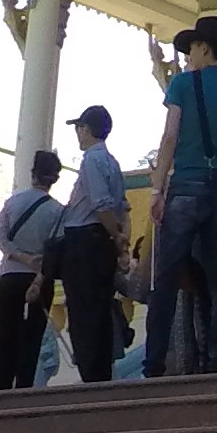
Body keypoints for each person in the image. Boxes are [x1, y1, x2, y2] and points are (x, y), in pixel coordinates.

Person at [147, 17, 217, 376]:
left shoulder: (182, 84)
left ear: (205, 48)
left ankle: (154, 362)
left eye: (192, 48)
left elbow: (170, 137)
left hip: (186, 186)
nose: (189, 56)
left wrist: (157, 188)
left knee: (167, 276)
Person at [54, 105, 131, 385]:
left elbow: (101, 205)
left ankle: (91, 375)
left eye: (79, 128)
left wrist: (116, 237)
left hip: (85, 241)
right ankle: (101, 372)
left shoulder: (91, 161)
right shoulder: (112, 163)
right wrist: (121, 242)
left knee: (82, 312)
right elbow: (123, 207)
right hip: (102, 243)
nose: (78, 134)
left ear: (86, 130)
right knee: (99, 310)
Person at [0, 149, 66, 394]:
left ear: (32, 173)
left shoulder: (13, 202)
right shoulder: (57, 211)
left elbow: (0, 238)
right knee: (32, 341)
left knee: (4, 338)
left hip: (8, 276)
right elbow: (55, 253)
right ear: (55, 178)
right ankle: (23, 393)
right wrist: (38, 277)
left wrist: (21, 256)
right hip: (39, 279)